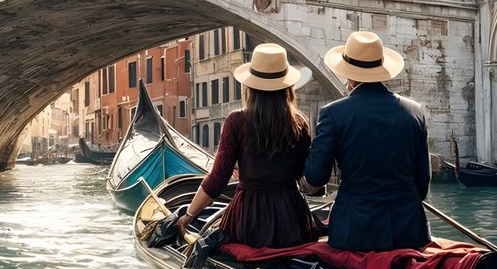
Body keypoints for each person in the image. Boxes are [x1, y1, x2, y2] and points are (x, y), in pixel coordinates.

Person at [175, 44, 321, 248]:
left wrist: (189, 215)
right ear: (287, 87)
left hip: (248, 219)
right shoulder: (300, 123)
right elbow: (303, 176)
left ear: (250, 87)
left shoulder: (236, 121)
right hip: (292, 218)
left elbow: (217, 179)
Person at [301, 31, 431, 251]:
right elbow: (422, 183)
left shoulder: (332, 113)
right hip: (409, 229)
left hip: (356, 232)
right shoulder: (415, 111)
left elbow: (315, 178)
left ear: (349, 76)